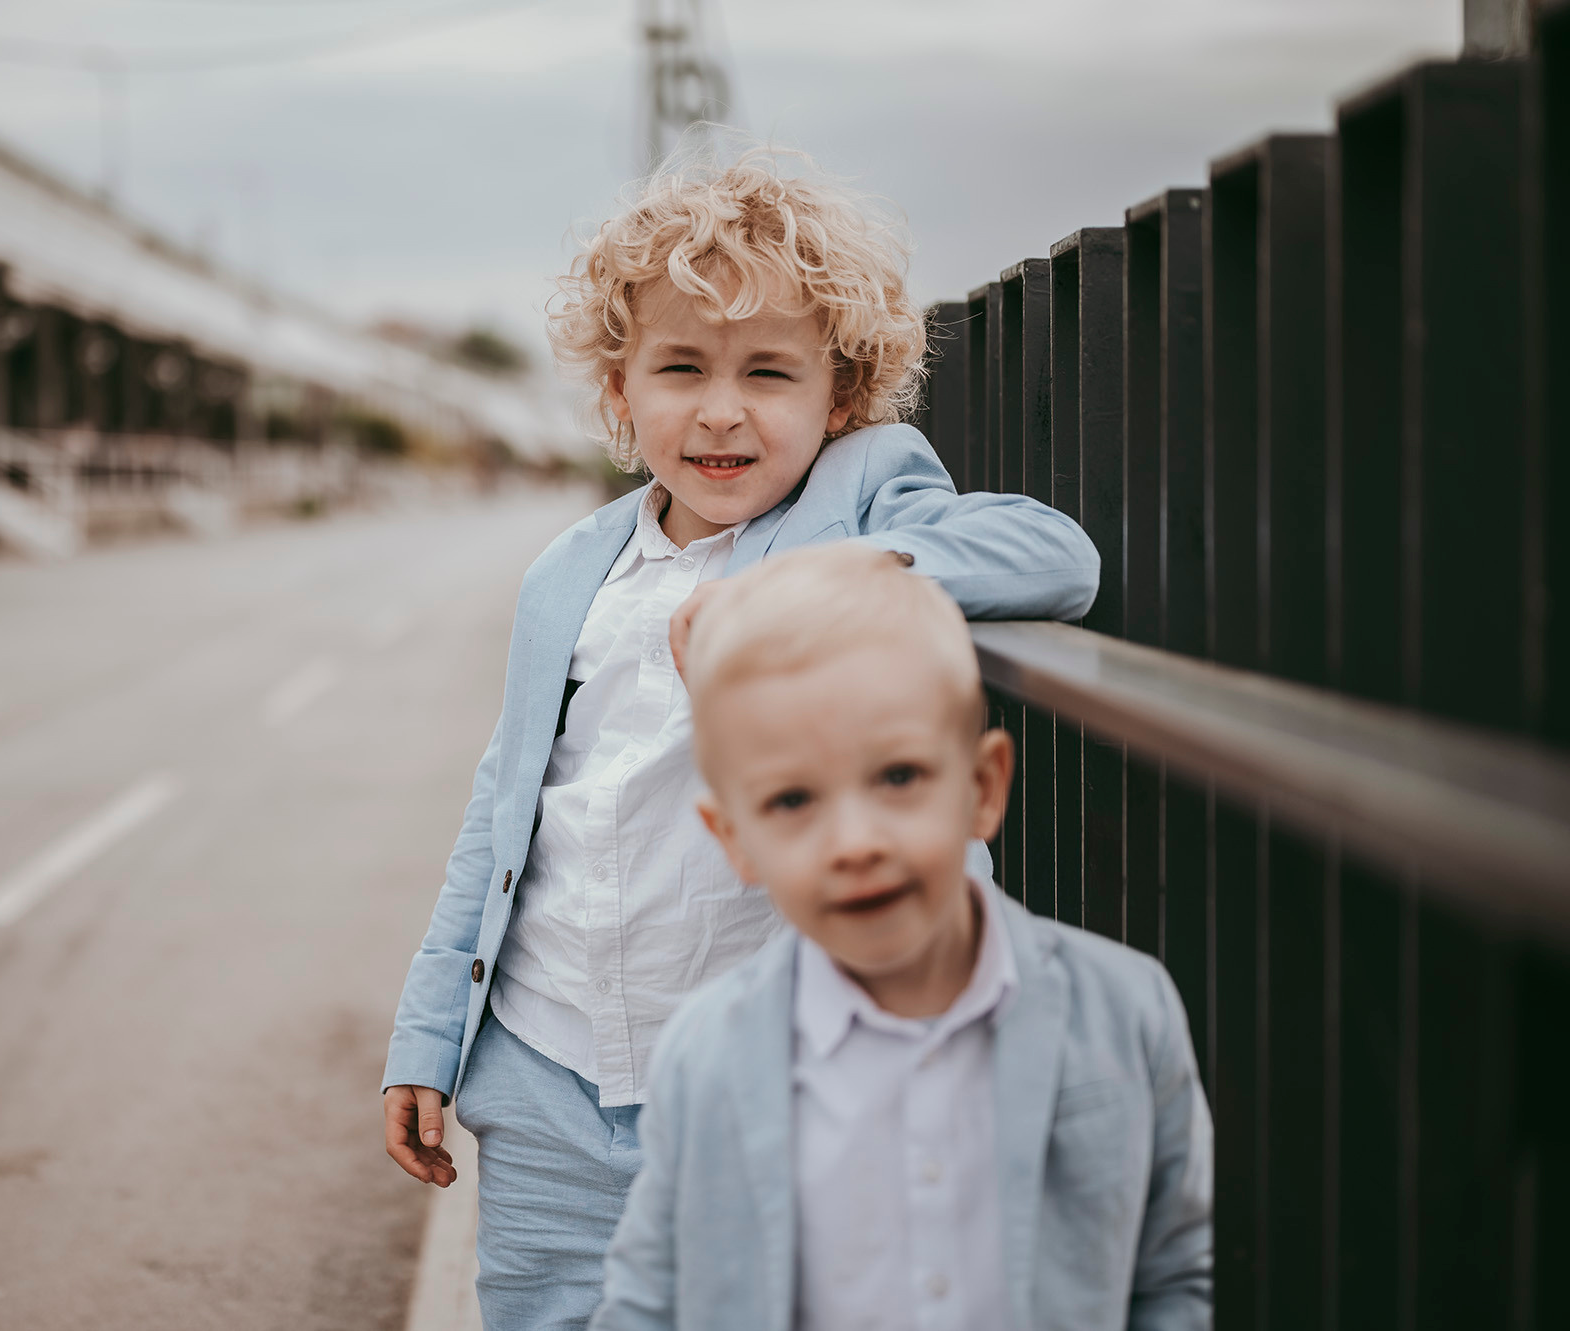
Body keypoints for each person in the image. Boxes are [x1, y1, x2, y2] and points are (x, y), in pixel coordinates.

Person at [380, 149, 1104, 1330]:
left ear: (841, 394)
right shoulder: (575, 568)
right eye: (678, 368)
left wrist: (829, 573)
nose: (720, 409)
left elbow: (1056, 559)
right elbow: (506, 807)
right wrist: (427, 1031)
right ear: (621, 391)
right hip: (546, 1066)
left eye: (769, 371)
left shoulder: (864, 488)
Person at [589, 542, 1213, 1331]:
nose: (856, 842)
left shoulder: (1124, 1010)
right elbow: (647, 1303)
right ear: (734, 837)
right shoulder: (707, 1053)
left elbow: (1176, 1275)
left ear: (982, 788)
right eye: (791, 800)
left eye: (898, 777)